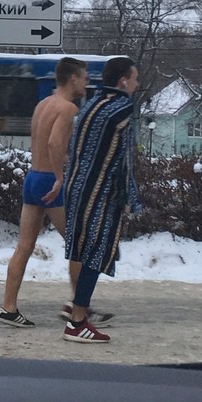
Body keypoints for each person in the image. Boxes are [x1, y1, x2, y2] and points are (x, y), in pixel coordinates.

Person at [0, 57, 90, 328]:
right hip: (50, 180)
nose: (87, 83)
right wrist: (60, 177)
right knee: (77, 244)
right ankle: (78, 308)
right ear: (72, 78)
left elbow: (40, 140)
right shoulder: (68, 108)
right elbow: (54, 142)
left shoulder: (42, 105)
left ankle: (8, 307)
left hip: (32, 177)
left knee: (24, 246)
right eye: (84, 77)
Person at [62, 56, 142, 344]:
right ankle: (77, 322)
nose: (137, 83)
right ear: (123, 80)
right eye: (135, 78)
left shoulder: (90, 105)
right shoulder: (122, 110)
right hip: (102, 194)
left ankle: (76, 310)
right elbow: (125, 161)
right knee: (96, 254)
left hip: (76, 189)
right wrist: (131, 199)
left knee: (81, 252)